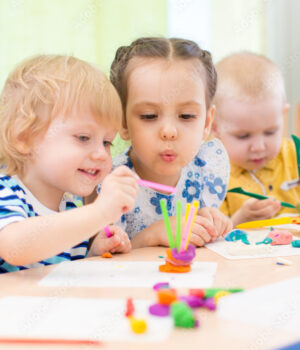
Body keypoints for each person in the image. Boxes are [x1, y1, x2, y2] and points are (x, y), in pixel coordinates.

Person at [0, 55, 138, 273]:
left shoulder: (70, 207)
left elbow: (57, 268)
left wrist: (93, 250)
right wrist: (99, 213)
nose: (101, 154)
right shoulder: (6, 191)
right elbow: (16, 248)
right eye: (83, 138)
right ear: (24, 137)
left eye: (106, 142)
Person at [108, 37, 232, 248]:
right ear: (122, 121)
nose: (169, 132)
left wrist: (211, 223)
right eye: (149, 116)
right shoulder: (111, 187)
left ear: (207, 122)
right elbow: (97, 260)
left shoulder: (206, 171)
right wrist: (153, 235)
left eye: (185, 116)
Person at [211, 52, 298, 227]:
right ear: (214, 127)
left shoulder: (295, 155)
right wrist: (239, 219)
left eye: (270, 132)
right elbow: (212, 239)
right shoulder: (211, 173)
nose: (258, 147)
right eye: (243, 136)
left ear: (283, 117)